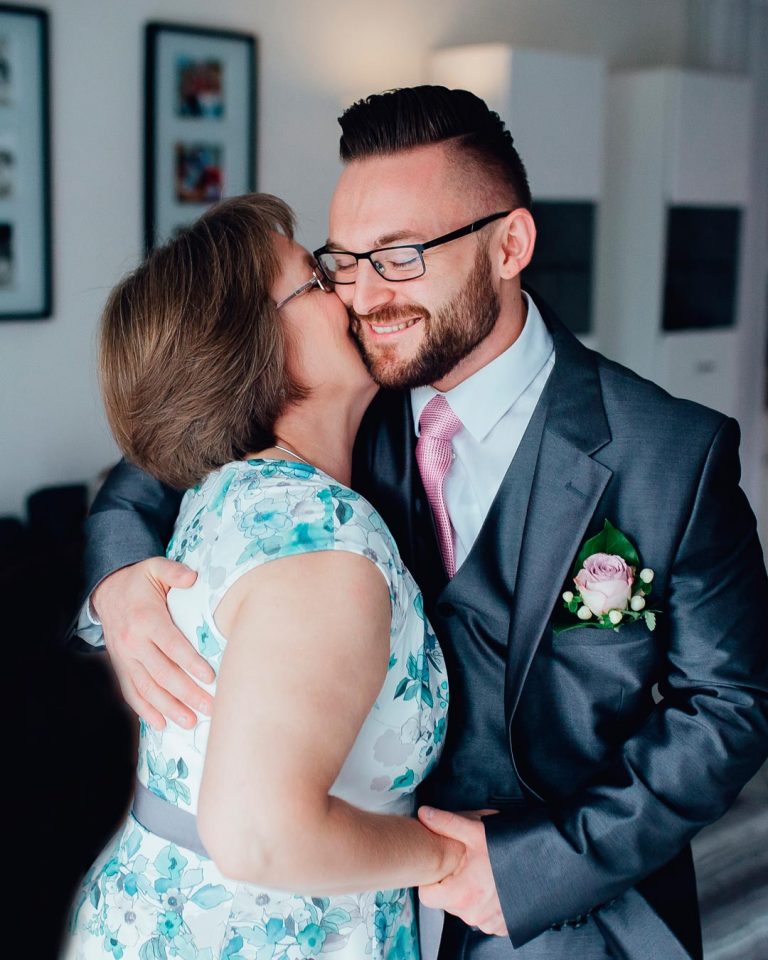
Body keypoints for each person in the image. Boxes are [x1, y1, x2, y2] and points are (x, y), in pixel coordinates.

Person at [77, 87, 768, 960]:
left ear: (509, 244)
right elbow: (168, 441)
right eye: (342, 261)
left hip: (562, 909)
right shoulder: (337, 390)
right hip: (331, 901)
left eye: (399, 256)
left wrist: (534, 867)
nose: (364, 294)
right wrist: (119, 586)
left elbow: (734, 706)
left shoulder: (670, 454)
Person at [64, 193, 461, 959]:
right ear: (259, 347)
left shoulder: (224, 491)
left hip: (156, 912)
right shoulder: (322, 552)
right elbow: (261, 835)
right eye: (316, 277)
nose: (347, 288)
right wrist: (444, 858)